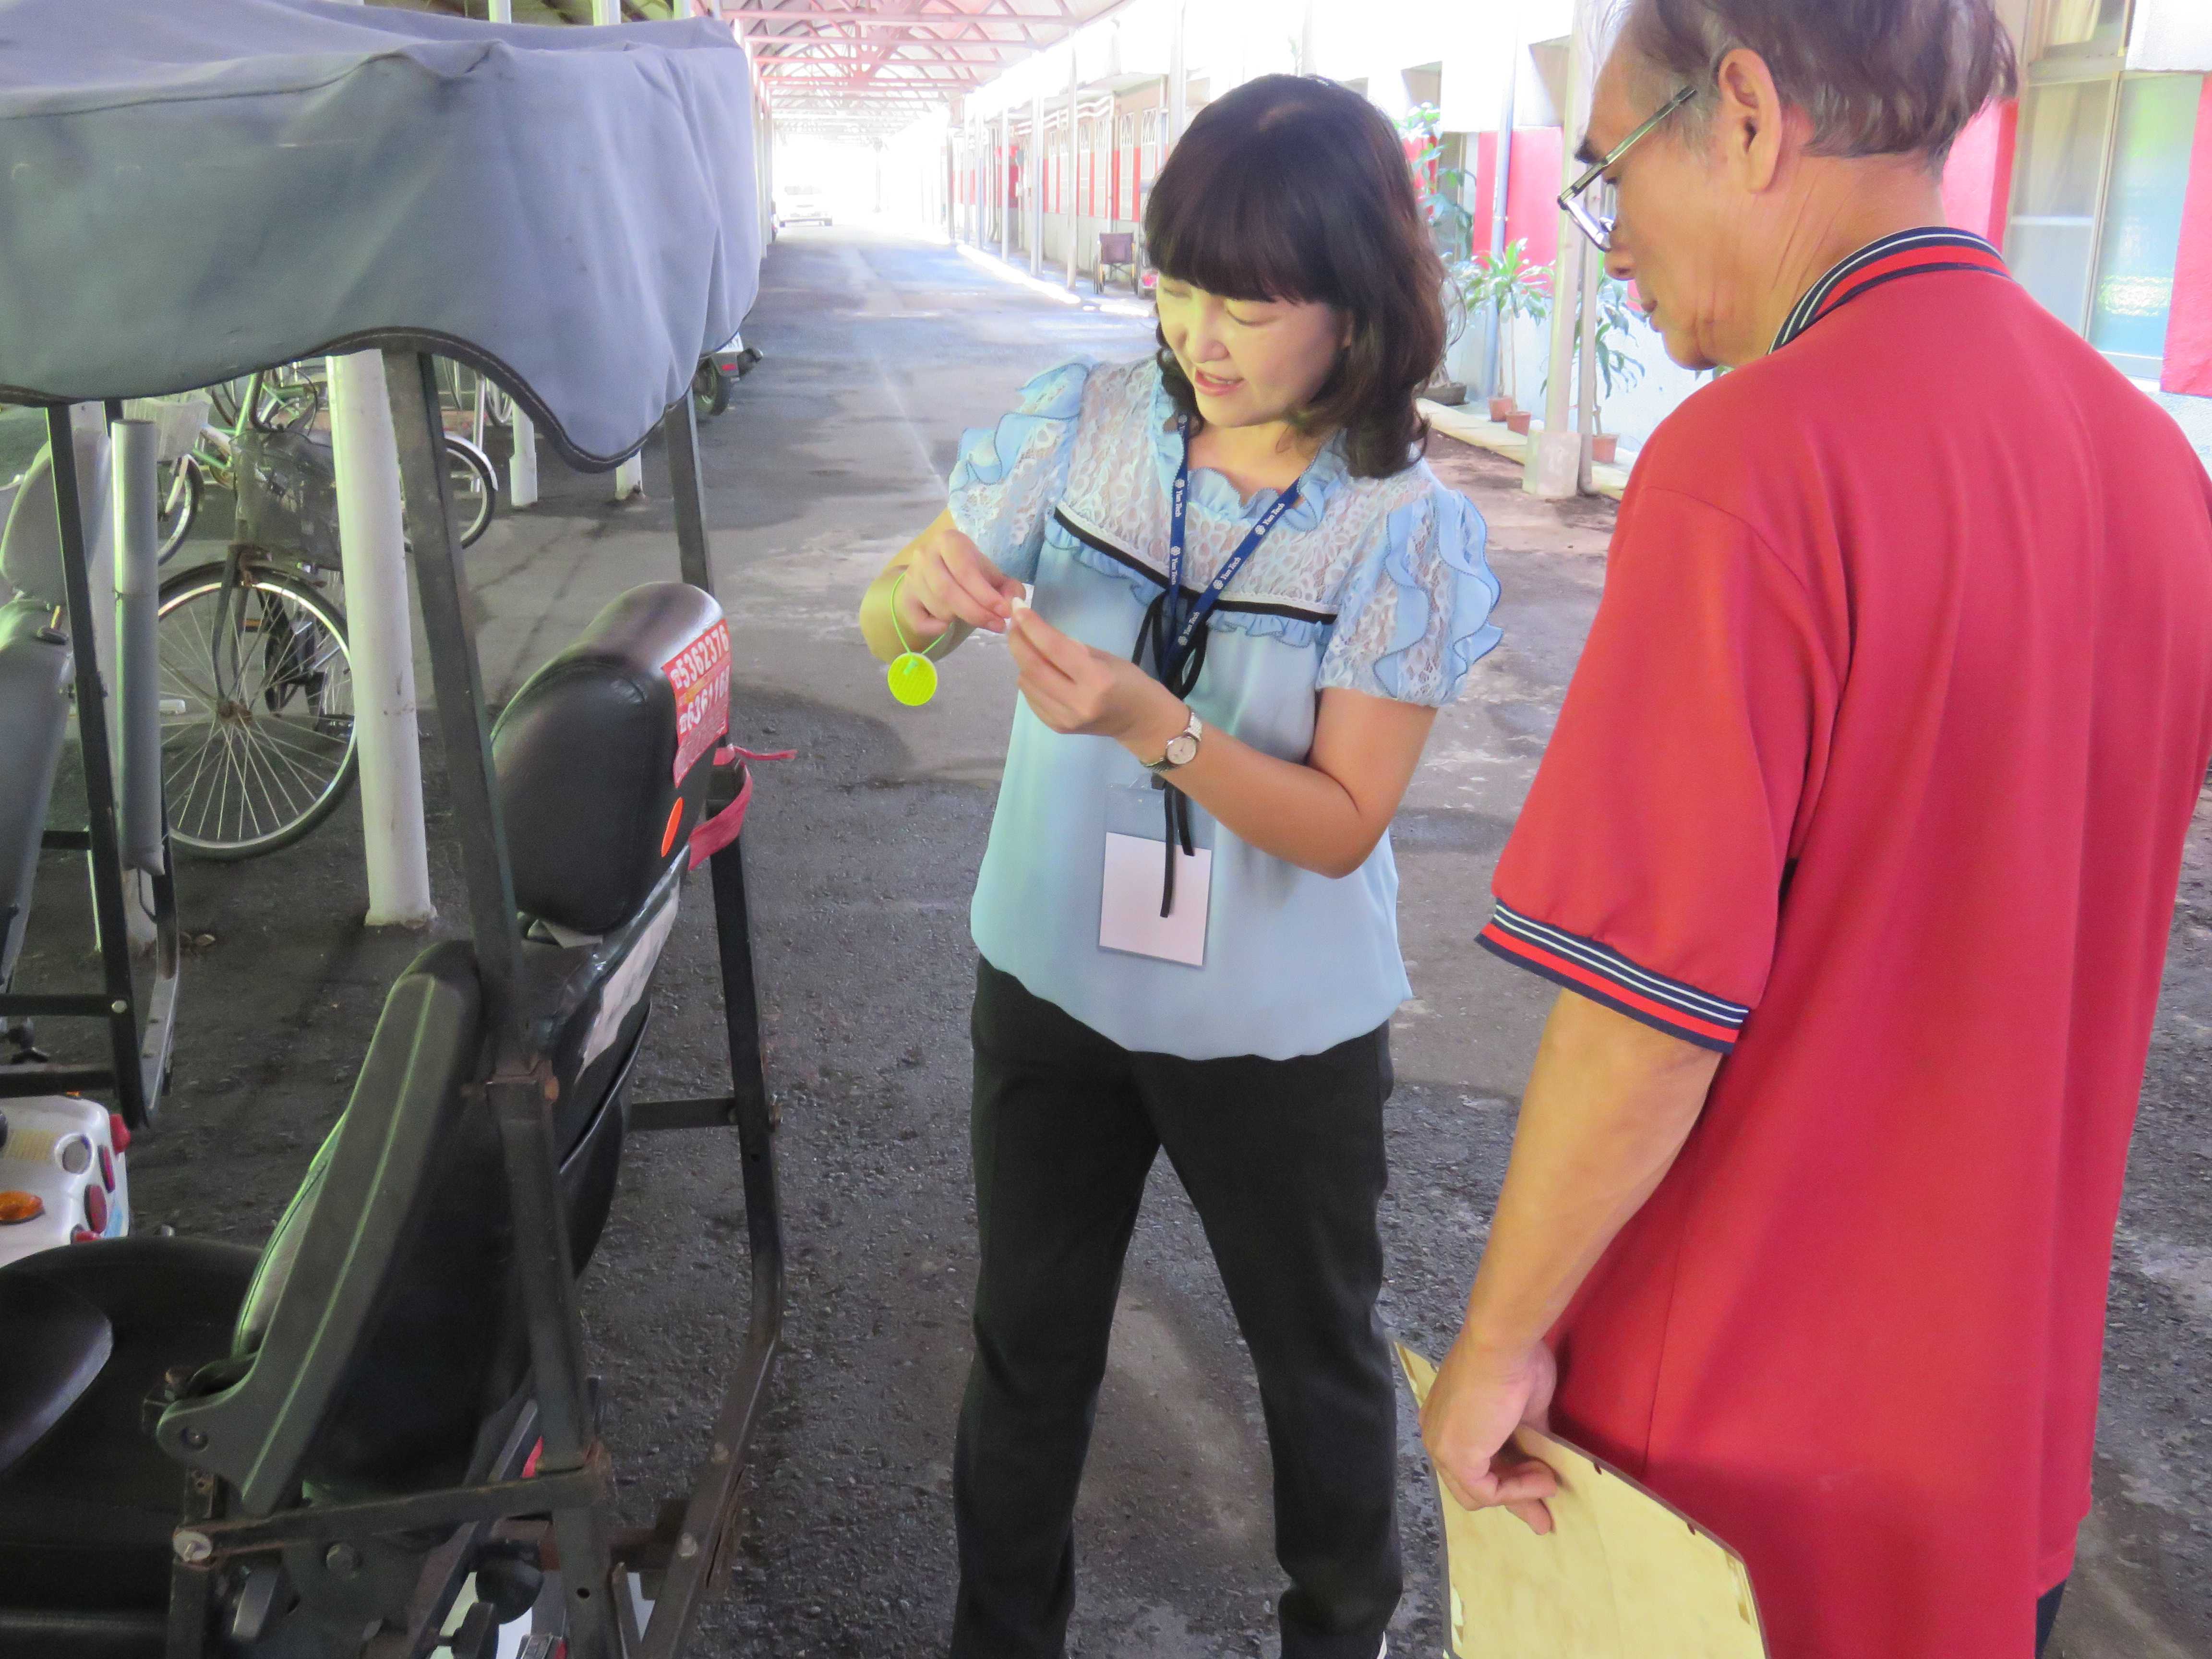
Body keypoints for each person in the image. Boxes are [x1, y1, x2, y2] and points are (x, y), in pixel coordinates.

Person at [1417, 2, 2212, 1656]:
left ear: (1753, 119)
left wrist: (1496, 1340)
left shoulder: (1751, 466)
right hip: (2002, 1441)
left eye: (1612, 170)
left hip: (1736, 1454)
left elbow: (1645, 1015)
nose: (1614, 241)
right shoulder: (2150, 469)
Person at [856, 74, 1501, 1659]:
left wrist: (1159, 727)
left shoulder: (1401, 533)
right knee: (1028, 1351)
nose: (1199, 333)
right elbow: (895, 639)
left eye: (1249, 303)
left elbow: (1346, 818)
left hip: (1277, 1034)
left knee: (1317, 1364)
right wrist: (912, 604)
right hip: (1054, 984)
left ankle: (1336, 1635)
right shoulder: (1082, 424)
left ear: (1358, 306)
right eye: (1176, 284)